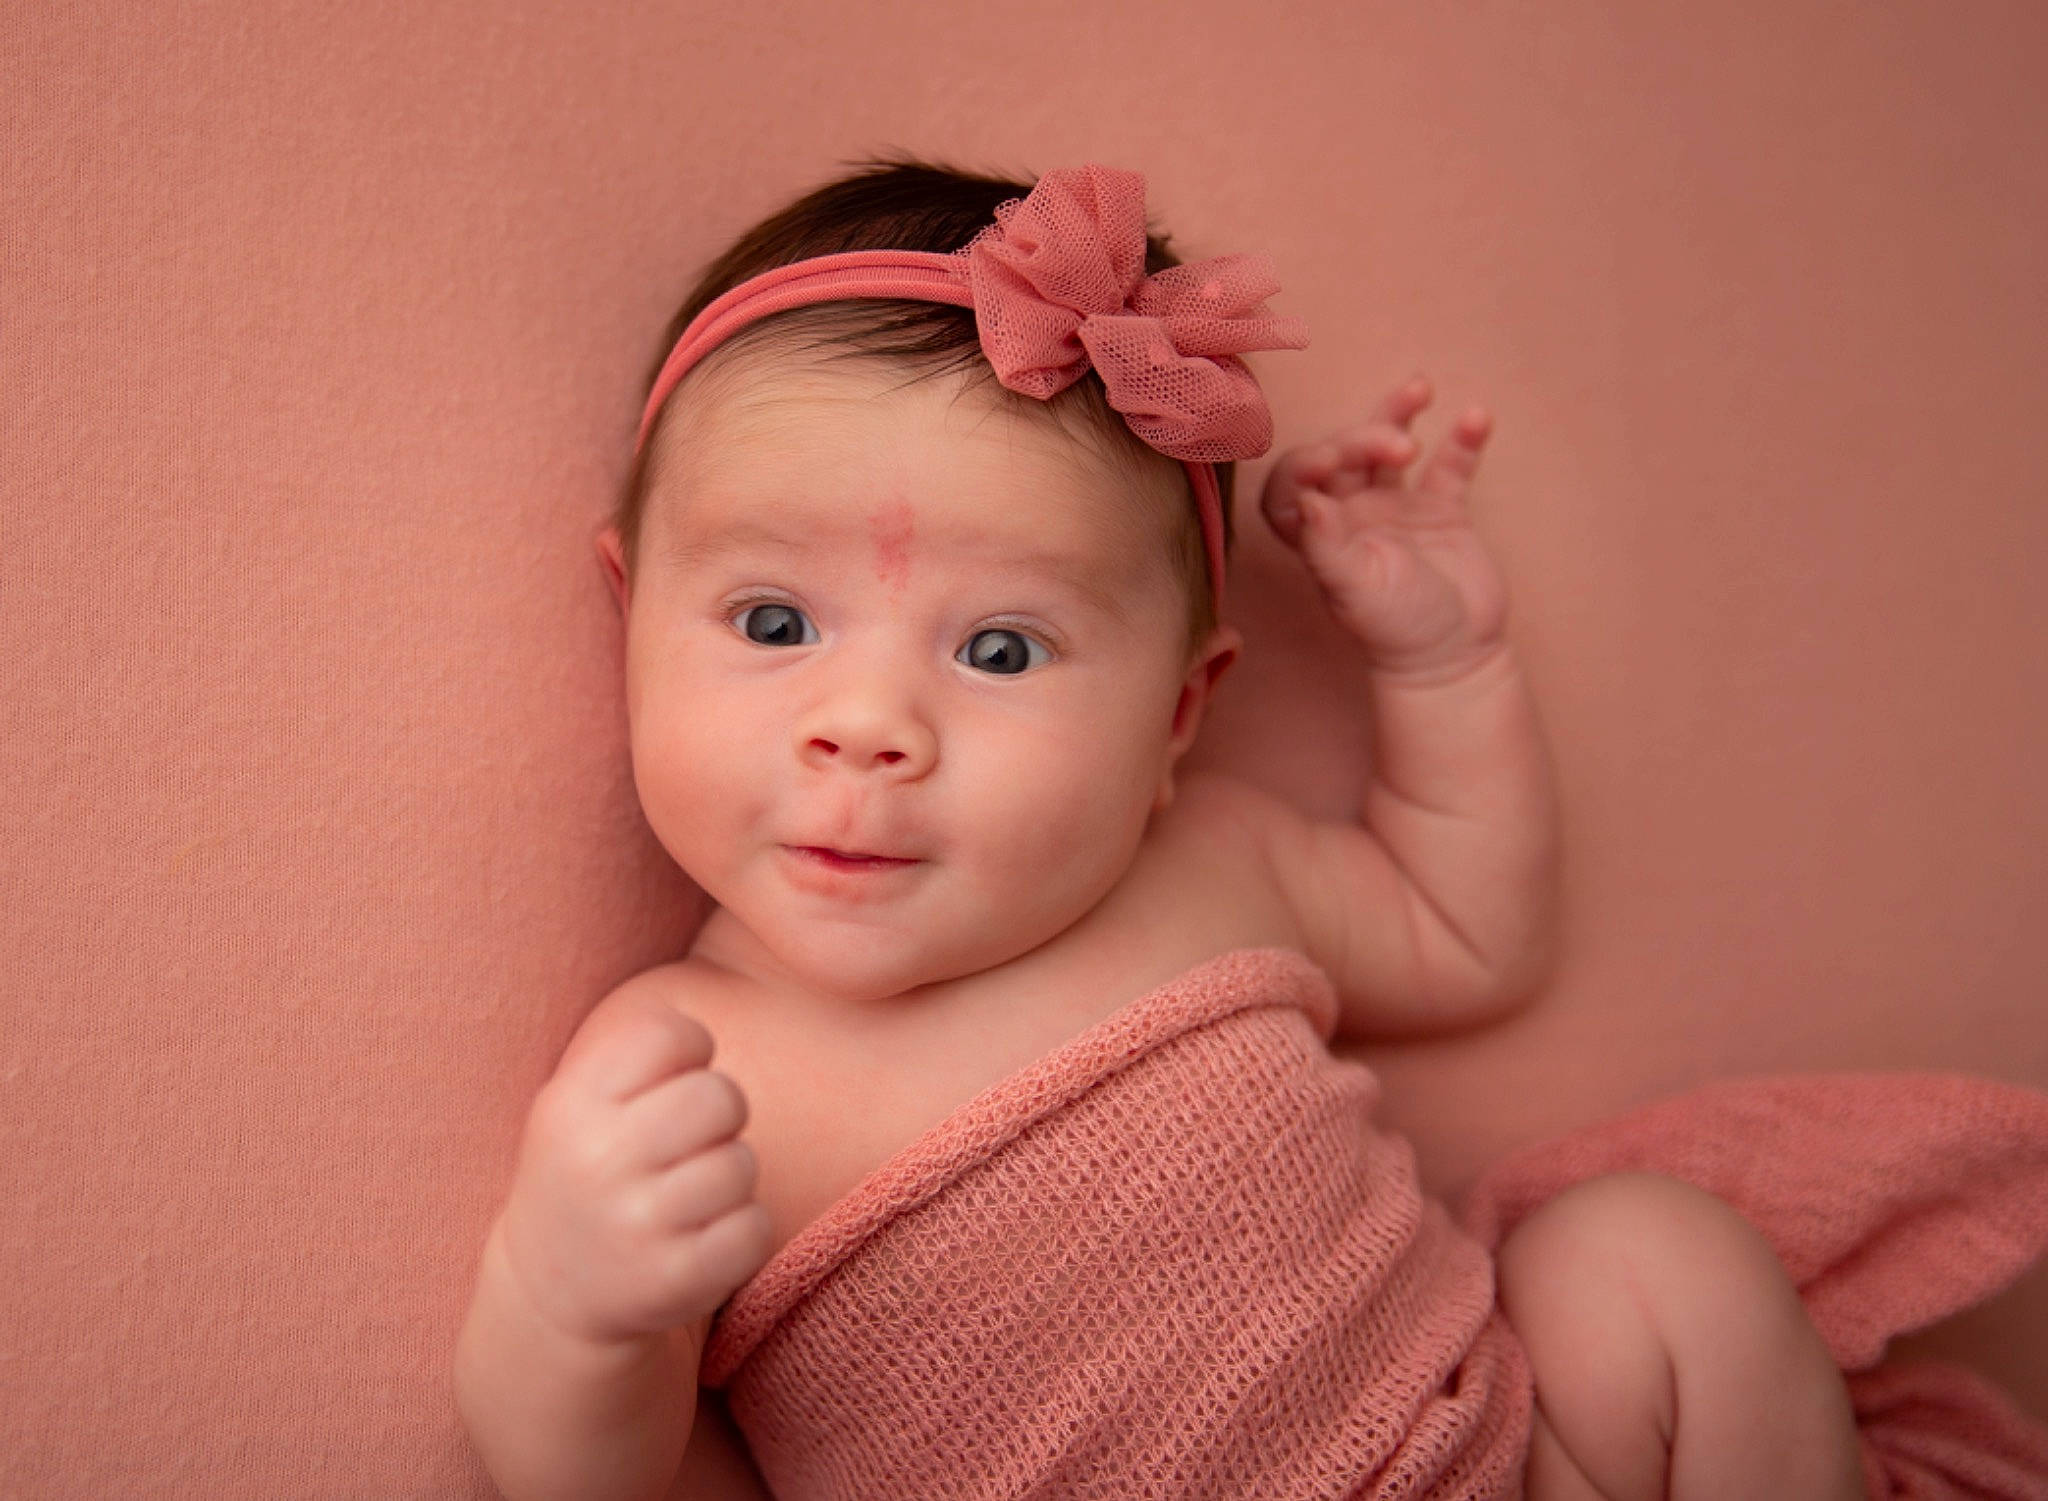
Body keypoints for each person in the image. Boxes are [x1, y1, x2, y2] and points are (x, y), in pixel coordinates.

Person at [453, 156, 1866, 1500]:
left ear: (1181, 712)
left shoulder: (1213, 866)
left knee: (1656, 1255)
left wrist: (1446, 670)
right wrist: (564, 1298)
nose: (870, 724)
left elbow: (1470, 933)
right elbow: (591, 1475)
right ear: (626, 608)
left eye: (1002, 650)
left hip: (1491, 1468)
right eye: (774, 623)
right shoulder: (688, 1068)